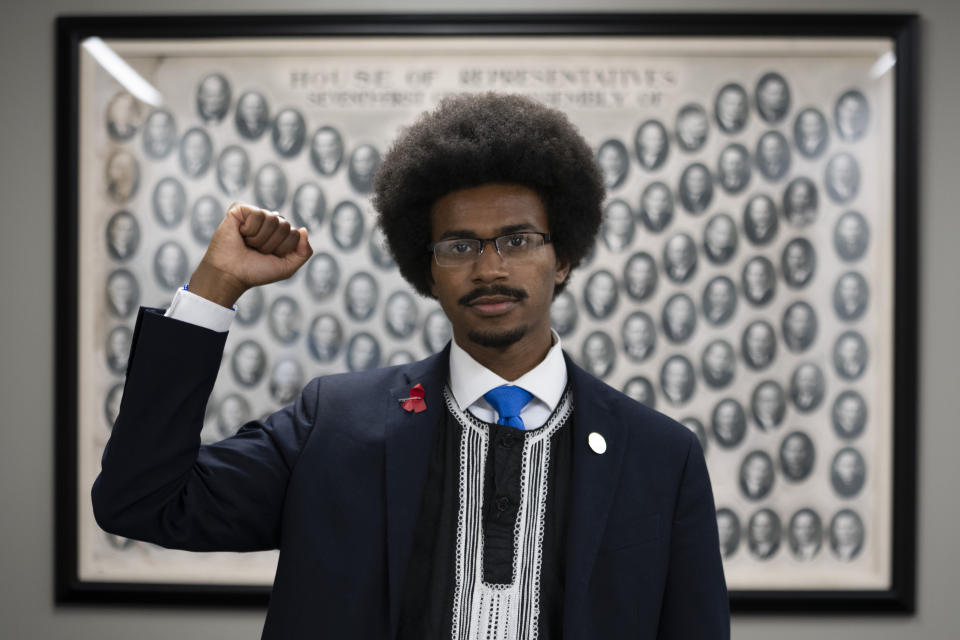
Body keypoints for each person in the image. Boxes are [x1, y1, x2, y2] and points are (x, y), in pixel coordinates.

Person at [92, 93, 728, 638]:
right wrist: (214, 288)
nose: (490, 268)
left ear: (563, 258)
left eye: (518, 239)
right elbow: (142, 502)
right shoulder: (334, 426)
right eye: (459, 246)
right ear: (426, 268)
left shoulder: (658, 456)